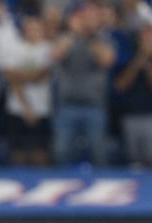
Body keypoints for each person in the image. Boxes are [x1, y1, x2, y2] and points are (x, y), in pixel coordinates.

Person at [51, 1, 116, 165]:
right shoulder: (66, 37)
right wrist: (74, 34)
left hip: (93, 105)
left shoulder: (103, 38)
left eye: (92, 17)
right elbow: (55, 56)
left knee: (99, 153)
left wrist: (90, 37)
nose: (88, 20)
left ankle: (101, 186)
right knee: (61, 152)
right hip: (67, 105)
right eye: (85, 16)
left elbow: (106, 61)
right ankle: (63, 184)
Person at [0, 14, 54, 167]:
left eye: (36, 29)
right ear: (24, 30)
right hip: (17, 108)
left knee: (40, 152)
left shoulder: (49, 49)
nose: (33, 32)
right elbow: (10, 76)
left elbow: (42, 74)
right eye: (29, 29)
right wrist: (27, 108)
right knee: (17, 152)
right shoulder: (15, 48)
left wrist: (21, 75)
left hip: (42, 109)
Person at [114, 24, 152, 167]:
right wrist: (138, 62)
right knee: (134, 162)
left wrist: (148, 62)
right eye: (144, 39)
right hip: (132, 115)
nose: (147, 43)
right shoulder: (128, 60)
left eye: (150, 39)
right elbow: (121, 86)